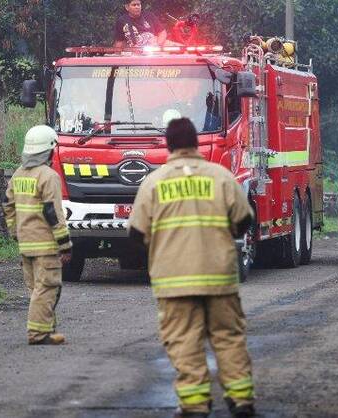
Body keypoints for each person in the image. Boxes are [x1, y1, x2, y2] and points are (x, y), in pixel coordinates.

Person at [128, 118, 256, 418]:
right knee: (228, 337)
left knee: (184, 340)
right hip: (219, 277)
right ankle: (241, 400)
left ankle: (195, 405)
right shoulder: (220, 177)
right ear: (196, 143)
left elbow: (135, 234)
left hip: (174, 280)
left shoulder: (154, 182)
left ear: (169, 145)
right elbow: (244, 221)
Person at [3, 125, 73, 345]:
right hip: (45, 245)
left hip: (26, 244)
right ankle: (38, 334)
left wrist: (16, 233)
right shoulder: (48, 176)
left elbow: (8, 205)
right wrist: (65, 243)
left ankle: (47, 330)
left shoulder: (18, 174)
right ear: (49, 150)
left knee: (36, 289)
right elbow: (53, 213)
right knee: (48, 288)